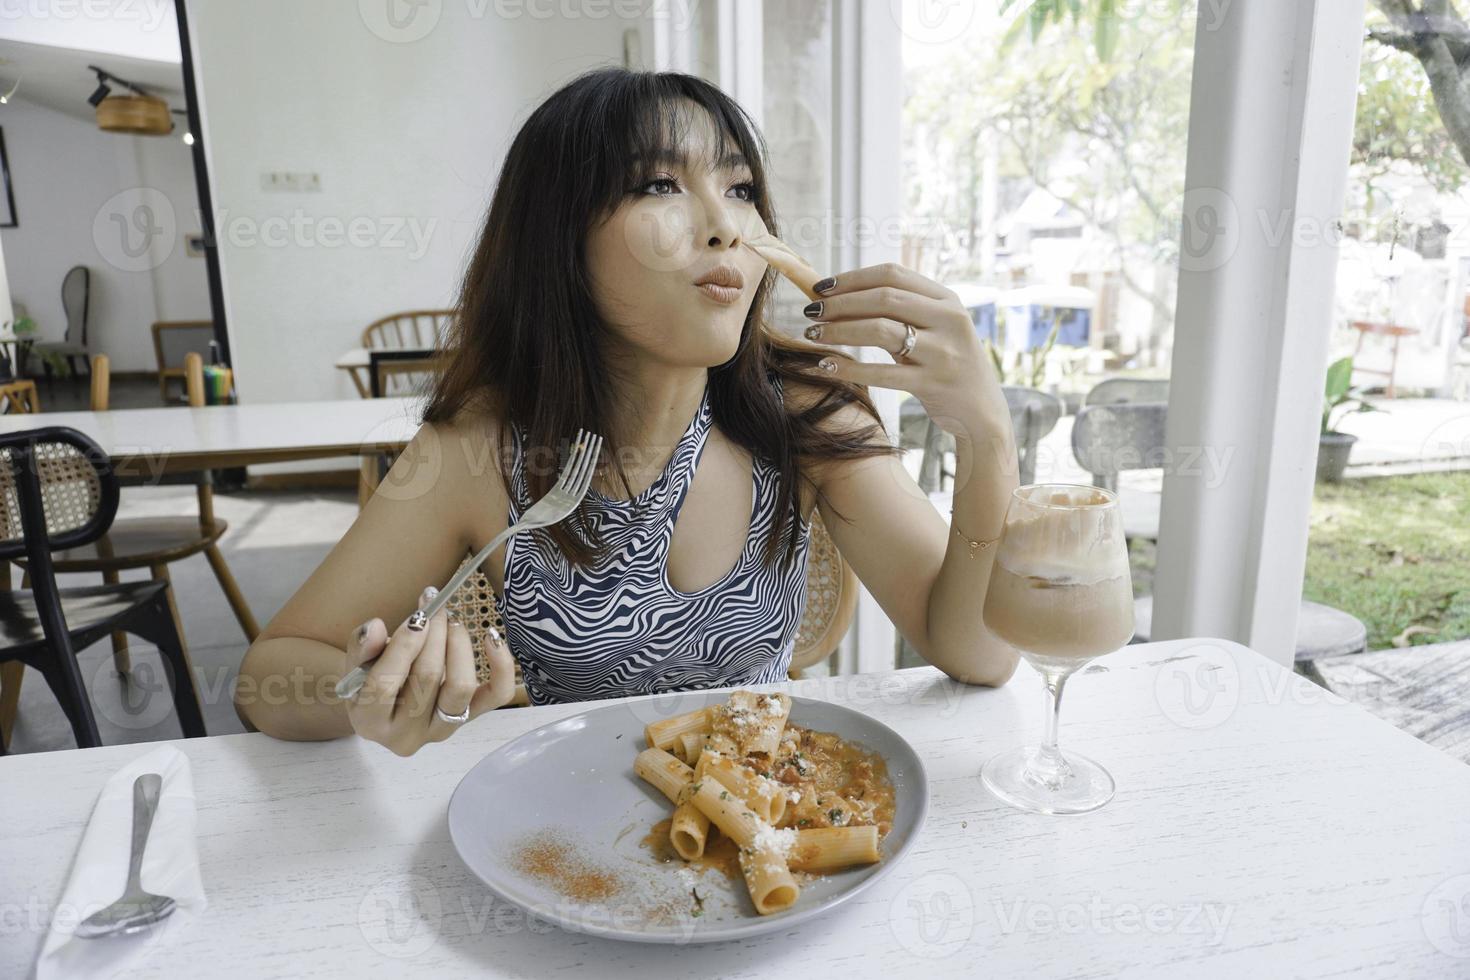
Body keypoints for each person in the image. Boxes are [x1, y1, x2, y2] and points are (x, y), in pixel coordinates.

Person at [235, 68, 1019, 755]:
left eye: (740, 189)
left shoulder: (803, 413)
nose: (725, 226)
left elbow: (979, 654)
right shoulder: (479, 449)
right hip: (568, 845)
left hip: (772, 816)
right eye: (658, 185)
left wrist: (986, 438)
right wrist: (371, 691)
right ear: (559, 239)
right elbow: (268, 677)